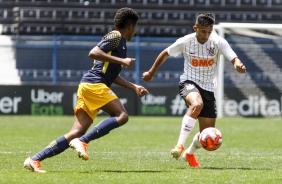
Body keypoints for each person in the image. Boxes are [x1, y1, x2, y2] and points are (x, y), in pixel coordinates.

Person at [24, 7, 149, 173]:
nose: (135, 31)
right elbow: (93, 52)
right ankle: (83, 141)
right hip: (94, 84)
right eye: (135, 27)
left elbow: (111, 76)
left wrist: (134, 86)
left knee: (75, 132)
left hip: (89, 85)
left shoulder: (121, 44)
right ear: (131, 26)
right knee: (122, 116)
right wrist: (122, 60)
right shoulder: (116, 36)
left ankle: (34, 159)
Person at [142, 13, 246, 168]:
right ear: (195, 28)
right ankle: (179, 146)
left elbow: (234, 58)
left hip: (208, 88)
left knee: (207, 138)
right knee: (196, 105)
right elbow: (165, 53)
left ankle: (189, 154)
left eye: (209, 32)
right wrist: (151, 72)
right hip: (188, 82)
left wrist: (238, 65)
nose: (206, 35)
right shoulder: (186, 41)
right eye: (203, 31)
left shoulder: (218, 42)